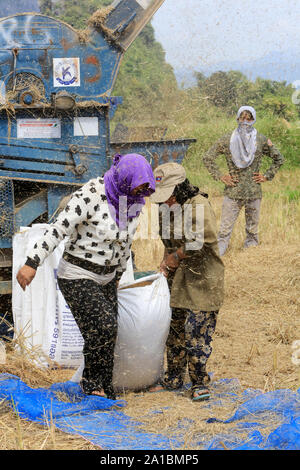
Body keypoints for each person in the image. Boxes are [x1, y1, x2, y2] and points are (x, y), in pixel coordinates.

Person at [16, 153, 155, 400]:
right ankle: (93, 386)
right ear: (125, 179)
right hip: (78, 273)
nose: (142, 194)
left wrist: (119, 275)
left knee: (105, 332)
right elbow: (58, 230)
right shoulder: (91, 194)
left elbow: (124, 243)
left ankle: (102, 388)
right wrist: (32, 262)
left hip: (108, 276)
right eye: (139, 186)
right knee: (104, 325)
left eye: (146, 188)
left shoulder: (131, 200)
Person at [148, 162, 224, 401]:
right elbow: (168, 243)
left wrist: (176, 257)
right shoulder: (165, 208)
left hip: (202, 277)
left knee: (197, 331)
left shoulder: (198, 205)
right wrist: (164, 263)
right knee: (175, 328)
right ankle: (173, 377)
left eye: (167, 195)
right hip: (177, 277)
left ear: (180, 188)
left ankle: (199, 382)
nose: (164, 201)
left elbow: (200, 241)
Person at [203, 106, 284, 256]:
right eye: (242, 118)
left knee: (252, 231)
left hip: (253, 192)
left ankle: (250, 258)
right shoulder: (227, 139)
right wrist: (221, 176)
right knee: (224, 232)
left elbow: (279, 158)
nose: (245, 122)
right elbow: (207, 158)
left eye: (249, 119)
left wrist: (267, 176)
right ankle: (218, 258)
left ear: (254, 120)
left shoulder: (260, 139)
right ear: (237, 119)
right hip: (233, 193)